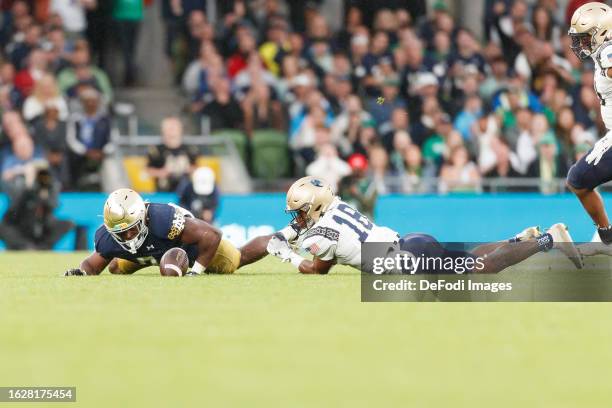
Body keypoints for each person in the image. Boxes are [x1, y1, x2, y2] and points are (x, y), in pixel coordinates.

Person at [265, 176, 583, 274]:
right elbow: (315, 226)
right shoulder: (336, 205)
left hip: (406, 260)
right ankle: (516, 240)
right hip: (410, 243)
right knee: (472, 258)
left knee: (482, 269)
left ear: (315, 206)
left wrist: (288, 255)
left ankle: (549, 240)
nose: (298, 217)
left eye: (301, 211)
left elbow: (317, 269)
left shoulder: (319, 235)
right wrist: (288, 234)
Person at [64, 188, 272, 276]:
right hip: (153, 252)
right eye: (122, 234)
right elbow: (92, 265)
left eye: (132, 229)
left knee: (237, 259)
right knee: (114, 268)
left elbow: (212, 235)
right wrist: (81, 272)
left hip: (189, 249)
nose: (129, 237)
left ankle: (279, 239)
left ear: (143, 218)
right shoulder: (108, 237)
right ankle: (147, 258)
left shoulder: (162, 219)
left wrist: (195, 272)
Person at [566, 3, 612, 243]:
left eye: (585, 38)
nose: (580, 44)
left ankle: (607, 238)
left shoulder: (607, 51)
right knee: (578, 180)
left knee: (578, 179)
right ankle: (606, 235)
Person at [147, 117, 198, 192]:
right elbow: (147, 170)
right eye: (169, 128)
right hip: (164, 192)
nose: (172, 131)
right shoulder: (156, 150)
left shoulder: (190, 149)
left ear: (180, 129)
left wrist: (186, 168)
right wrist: (161, 172)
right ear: (163, 130)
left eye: (174, 128)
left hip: (186, 192)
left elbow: (198, 168)